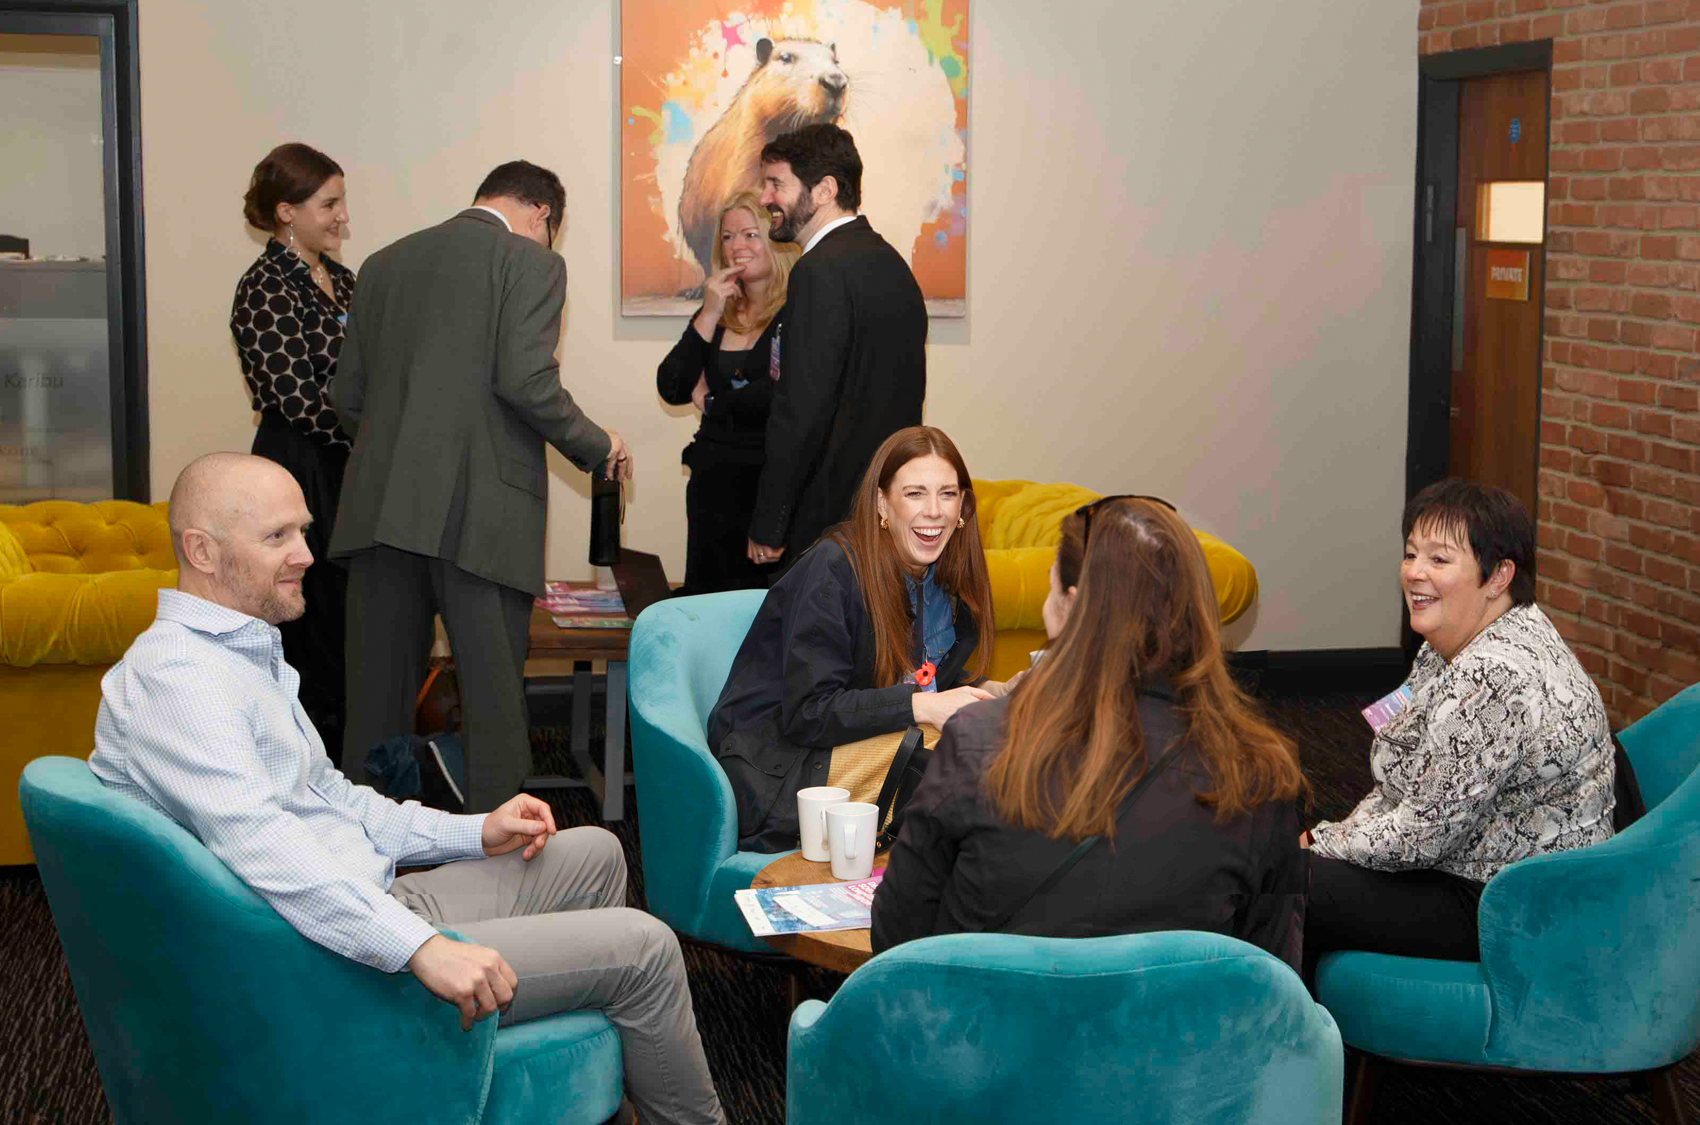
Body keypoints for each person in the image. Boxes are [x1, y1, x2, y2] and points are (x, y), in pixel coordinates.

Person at [89, 453, 723, 1125]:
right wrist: (420, 946)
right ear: (202, 552)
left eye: (303, 530)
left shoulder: (239, 652)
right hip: (324, 958)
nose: (306, 554)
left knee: (594, 853)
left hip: (360, 904)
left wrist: (475, 830)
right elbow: (264, 847)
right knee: (645, 949)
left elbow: (335, 801)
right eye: (278, 536)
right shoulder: (180, 681)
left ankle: (578, 1080)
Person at [870, 497, 1311, 968]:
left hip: (991, 1014)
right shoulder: (1261, 774)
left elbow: (896, 938)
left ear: (1072, 607)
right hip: (1175, 1017)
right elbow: (1270, 971)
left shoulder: (977, 742)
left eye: (1050, 590)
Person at [327, 160, 632, 811]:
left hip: (381, 512)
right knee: (493, 711)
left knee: (374, 709)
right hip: (482, 516)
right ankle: (498, 853)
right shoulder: (531, 261)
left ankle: (368, 850)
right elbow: (526, 381)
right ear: (541, 214)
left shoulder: (381, 264)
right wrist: (598, 443)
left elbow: (346, 396)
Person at [1304, 478, 1616, 981]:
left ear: (1499, 576)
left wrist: (1320, 841)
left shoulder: (1493, 677)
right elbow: (1401, 757)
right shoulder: (1456, 640)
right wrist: (1339, 838)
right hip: (1474, 857)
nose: (1414, 572)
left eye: (1439, 559)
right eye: (1411, 554)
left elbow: (1421, 837)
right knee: (1293, 865)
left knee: (1286, 884)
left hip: (1512, 904)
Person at [708, 426, 1008, 852]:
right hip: (781, 767)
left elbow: (908, 677)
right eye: (915, 494)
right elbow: (809, 713)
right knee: (969, 756)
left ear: (962, 505)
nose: (934, 511)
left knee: (1002, 740)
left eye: (947, 494)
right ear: (882, 503)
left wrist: (989, 691)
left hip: (856, 745)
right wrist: (925, 706)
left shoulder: (945, 579)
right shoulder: (834, 568)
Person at [744, 123, 927, 571]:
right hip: (879, 519)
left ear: (824, 190)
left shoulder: (818, 272)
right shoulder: (893, 265)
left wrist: (770, 522)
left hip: (825, 525)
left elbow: (801, 412)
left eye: (777, 184)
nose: (765, 198)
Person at [230, 142, 355, 761]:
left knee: (348, 619)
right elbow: (299, 401)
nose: (341, 217)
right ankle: (305, 768)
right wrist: (373, 440)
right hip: (298, 465)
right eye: (328, 204)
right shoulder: (264, 286)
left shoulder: (345, 280)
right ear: (286, 211)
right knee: (308, 618)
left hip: (348, 463)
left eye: (341, 202)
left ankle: (352, 767)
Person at [655, 191, 800, 594]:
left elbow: (779, 398)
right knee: (705, 604)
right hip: (711, 487)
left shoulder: (797, 312)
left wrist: (712, 402)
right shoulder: (719, 313)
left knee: (757, 612)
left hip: (766, 489)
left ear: (776, 240)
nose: (737, 246)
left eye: (750, 234)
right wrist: (710, 311)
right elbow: (672, 386)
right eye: (728, 237)